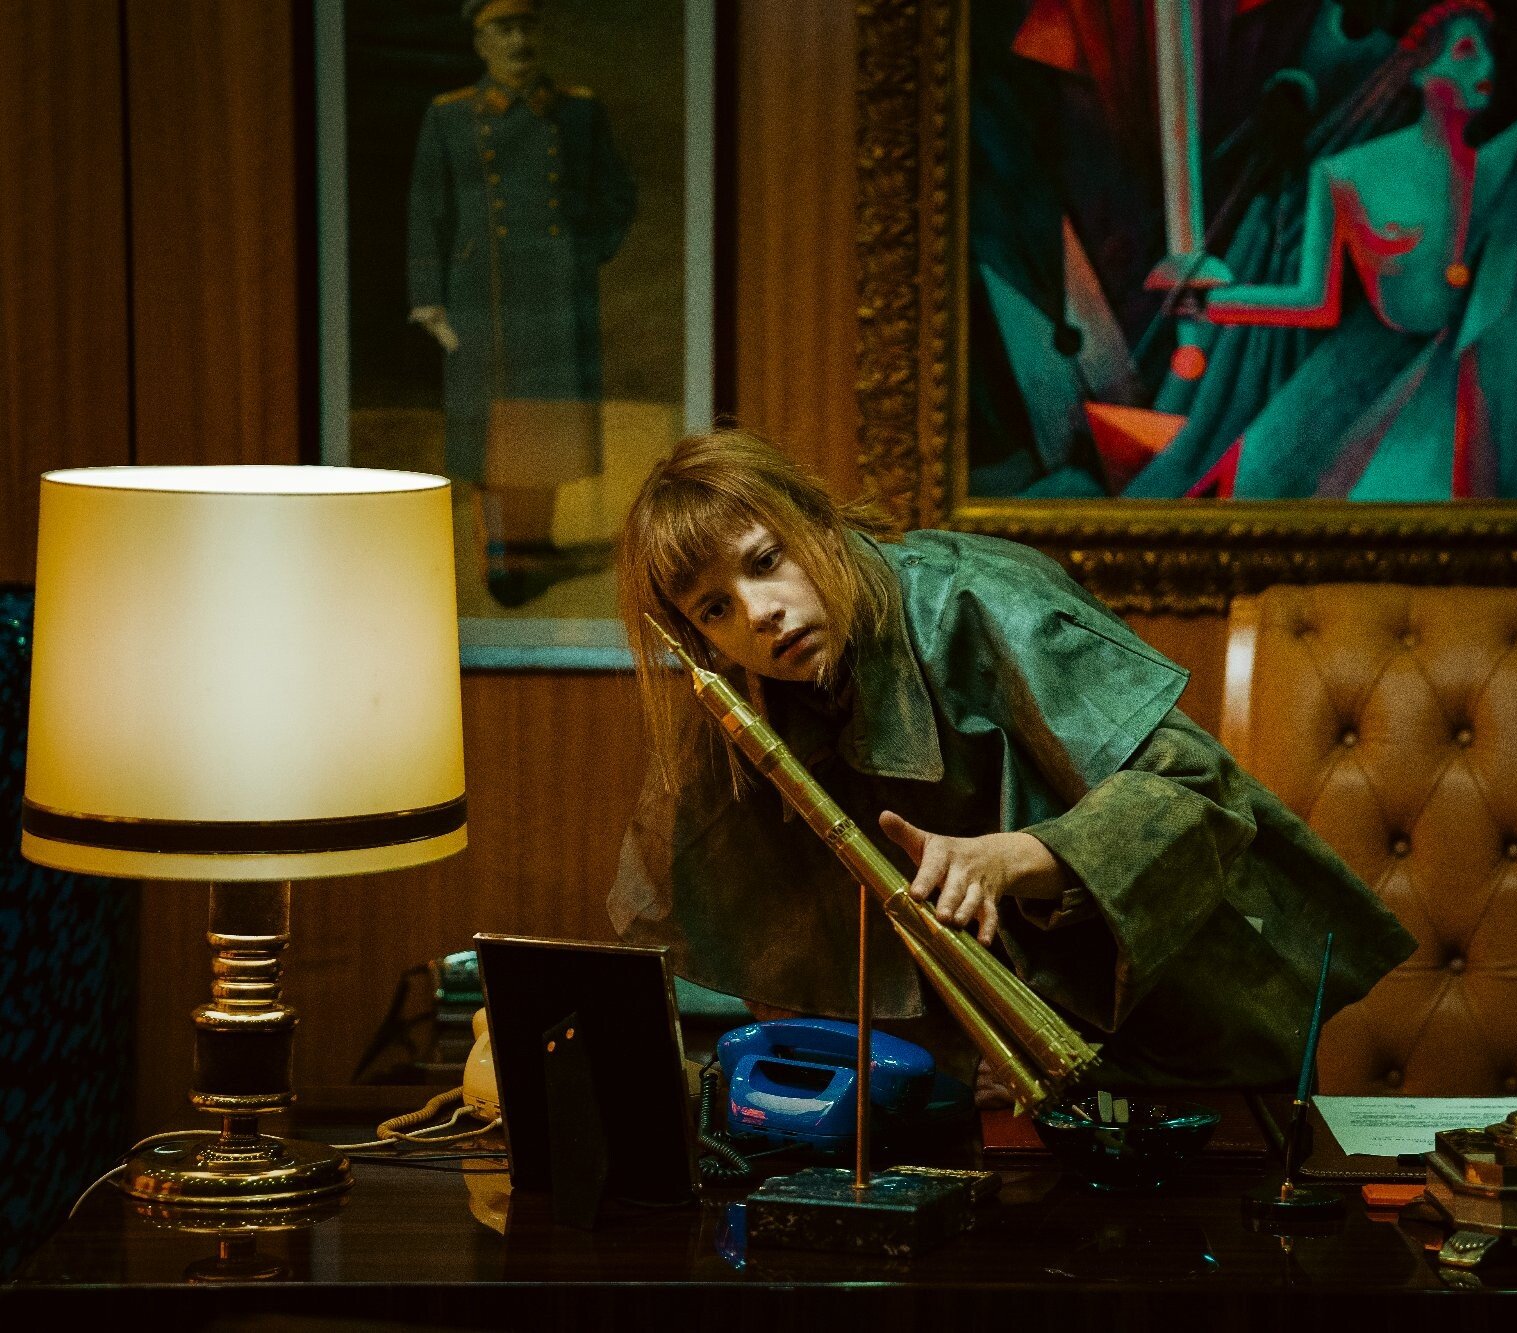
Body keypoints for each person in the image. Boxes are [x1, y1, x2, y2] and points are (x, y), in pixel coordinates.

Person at [606, 431, 1416, 1097]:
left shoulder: (981, 600)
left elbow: (1197, 787)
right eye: (715, 607)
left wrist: (1009, 859)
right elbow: (736, 929)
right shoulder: (736, 702)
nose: (758, 613)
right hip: (1001, 1099)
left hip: (1192, 1056)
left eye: (764, 561)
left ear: (817, 524)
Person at [1126, 0, 1517, 501]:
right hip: (1353, 384)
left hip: (1462, 387)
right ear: (1419, 70)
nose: (1484, 68)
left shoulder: (1504, 164)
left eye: (1488, 52)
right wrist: (1208, 302)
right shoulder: (1350, 173)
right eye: (1466, 51)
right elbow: (1312, 302)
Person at [407, 0, 637, 606]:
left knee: (547, 419)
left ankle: (536, 548)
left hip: (557, 293)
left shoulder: (579, 111)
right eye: (503, 29)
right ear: (480, 41)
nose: (518, 41)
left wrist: (584, 253)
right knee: (488, 425)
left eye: (526, 26)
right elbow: (427, 209)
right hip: (480, 296)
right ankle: (499, 554)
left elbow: (616, 193)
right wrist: (428, 298)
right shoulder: (451, 114)